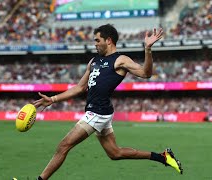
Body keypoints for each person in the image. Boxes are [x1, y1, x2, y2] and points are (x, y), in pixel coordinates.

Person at [33, 24, 183, 180]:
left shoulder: (120, 60)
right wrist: (52, 99)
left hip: (97, 112)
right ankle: (163, 157)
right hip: (100, 111)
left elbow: (146, 73)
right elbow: (80, 87)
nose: (95, 43)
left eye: (98, 40)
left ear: (109, 40)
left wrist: (148, 49)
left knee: (64, 145)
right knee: (115, 153)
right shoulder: (93, 61)